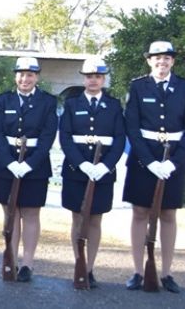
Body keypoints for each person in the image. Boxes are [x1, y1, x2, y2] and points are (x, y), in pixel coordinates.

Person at [123, 41, 185, 293]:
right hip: (143, 158)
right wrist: (150, 161)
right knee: (139, 213)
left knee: (168, 214)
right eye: (157, 58)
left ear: (172, 61)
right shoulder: (137, 86)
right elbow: (132, 127)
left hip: (173, 158)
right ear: (149, 61)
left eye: (166, 58)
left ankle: (166, 273)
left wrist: (174, 162)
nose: (161, 62)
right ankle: (138, 271)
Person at [59, 57, 126, 288]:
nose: (93, 80)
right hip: (76, 170)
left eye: (98, 76)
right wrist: (82, 164)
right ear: (83, 79)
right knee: (77, 218)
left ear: (104, 79)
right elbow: (65, 138)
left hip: (103, 171)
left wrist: (105, 166)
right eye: (89, 76)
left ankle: (89, 269)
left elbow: (119, 139)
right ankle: (79, 263)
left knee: (96, 219)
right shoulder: (72, 104)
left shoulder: (114, 105)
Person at [0, 57, 58, 282]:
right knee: (10, 213)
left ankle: (27, 263)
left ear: (37, 77)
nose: (25, 79)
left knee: (30, 213)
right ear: (15, 76)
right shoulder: (3, 100)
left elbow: (48, 136)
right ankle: (10, 258)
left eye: (30, 75)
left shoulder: (48, 102)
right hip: (6, 163)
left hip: (35, 165)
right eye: (21, 74)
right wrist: (9, 161)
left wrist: (29, 163)